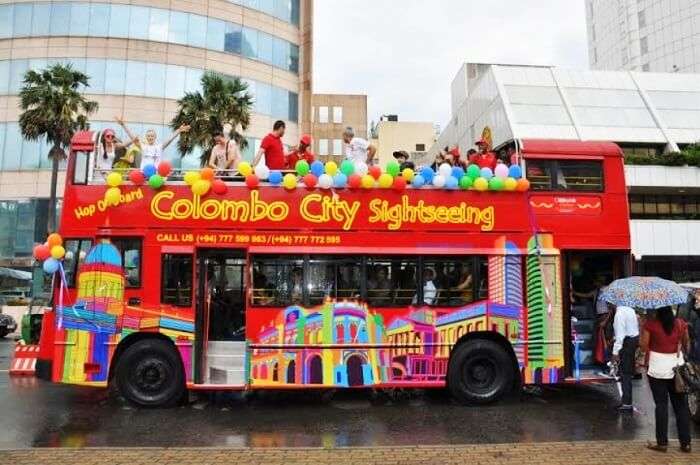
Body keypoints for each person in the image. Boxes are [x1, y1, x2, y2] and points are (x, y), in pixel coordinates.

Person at [640, 306, 691, 453]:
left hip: (657, 368)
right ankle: (685, 443)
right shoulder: (681, 323)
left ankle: (662, 443)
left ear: (657, 312)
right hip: (677, 368)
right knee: (681, 406)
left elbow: (644, 346)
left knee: (661, 405)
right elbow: (686, 342)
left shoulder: (650, 324)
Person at [116, 116, 190, 169]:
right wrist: (123, 125)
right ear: (146, 137)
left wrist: (179, 131)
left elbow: (170, 139)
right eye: (148, 136)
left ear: (155, 137)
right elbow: (132, 137)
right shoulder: (143, 146)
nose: (150, 137)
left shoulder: (159, 146)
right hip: (144, 175)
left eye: (152, 136)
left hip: (156, 176)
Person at [611, 305, 640, 412]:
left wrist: (615, 352)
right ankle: (627, 401)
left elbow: (620, 336)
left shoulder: (619, 314)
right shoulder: (630, 310)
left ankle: (627, 403)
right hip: (633, 341)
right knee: (627, 372)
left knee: (625, 373)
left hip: (626, 343)